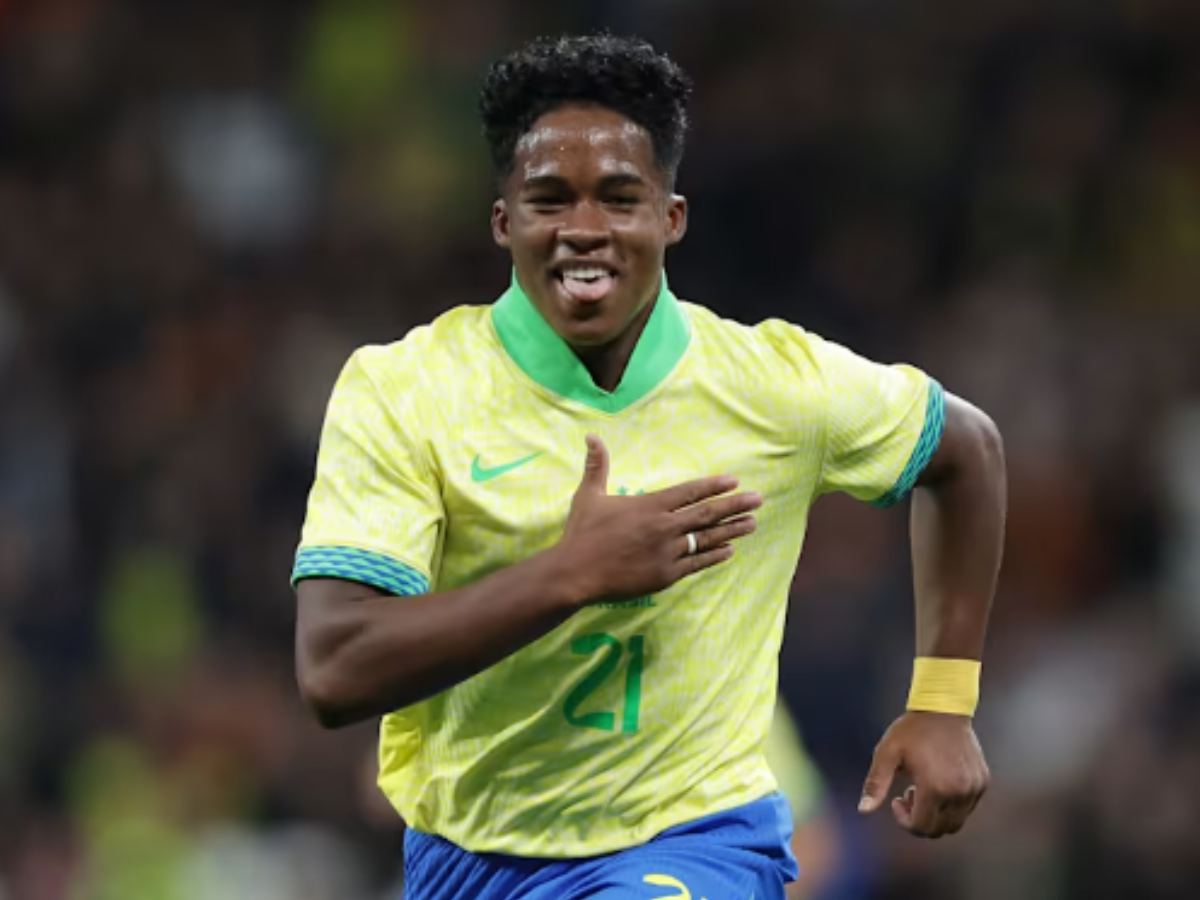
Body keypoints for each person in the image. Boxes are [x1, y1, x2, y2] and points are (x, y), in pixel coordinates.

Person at [292, 32, 1006, 900]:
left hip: (697, 841)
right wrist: (570, 574)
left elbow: (967, 450)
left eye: (620, 198)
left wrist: (943, 701)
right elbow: (334, 669)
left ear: (671, 217)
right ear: (504, 221)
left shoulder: (773, 385)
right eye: (549, 200)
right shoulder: (406, 390)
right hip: (466, 856)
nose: (584, 229)